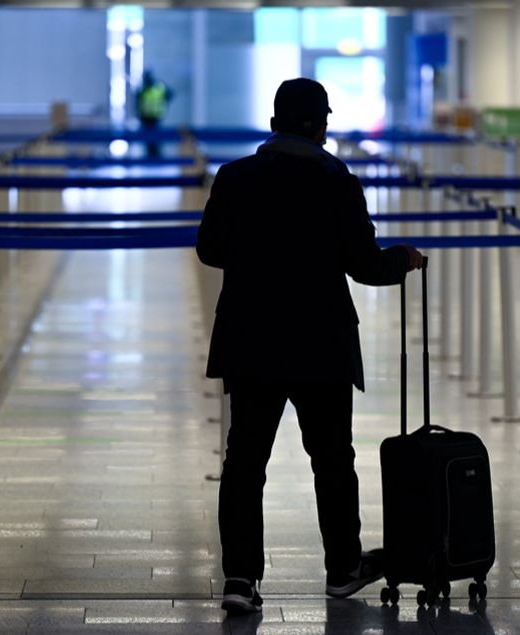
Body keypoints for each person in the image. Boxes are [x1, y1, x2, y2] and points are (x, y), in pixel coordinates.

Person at [195, 77, 424, 616]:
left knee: (246, 463)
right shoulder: (336, 180)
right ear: (322, 126)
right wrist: (404, 260)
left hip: (251, 341)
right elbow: (365, 265)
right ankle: (343, 568)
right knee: (332, 461)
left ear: (274, 123)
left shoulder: (235, 177)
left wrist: (257, 258)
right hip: (320, 342)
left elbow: (209, 250)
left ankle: (240, 577)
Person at [136, 70, 173, 157]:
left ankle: (155, 156)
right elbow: (138, 103)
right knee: (148, 140)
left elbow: (170, 94)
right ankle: (151, 156)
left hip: (155, 118)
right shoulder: (143, 90)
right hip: (145, 119)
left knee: (155, 139)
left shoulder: (157, 89)